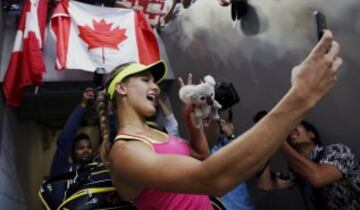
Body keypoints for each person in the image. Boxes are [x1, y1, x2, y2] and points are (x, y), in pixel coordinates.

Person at [95, 30, 342, 209]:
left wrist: (198, 125)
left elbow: (201, 155)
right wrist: (300, 97)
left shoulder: (156, 133)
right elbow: (211, 178)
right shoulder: (125, 151)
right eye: (145, 80)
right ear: (122, 89)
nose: (156, 87)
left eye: (154, 81)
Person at [257, 114, 360, 210]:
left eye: (295, 125)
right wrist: (267, 145)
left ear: (311, 134)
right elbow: (266, 185)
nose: (290, 131)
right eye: (287, 131)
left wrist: (279, 140)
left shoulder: (337, 151)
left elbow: (318, 178)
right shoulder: (297, 171)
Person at [207, 118, 257, 210]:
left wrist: (230, 135)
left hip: (245, 205)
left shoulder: (228, 142)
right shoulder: (205, 150)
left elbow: (244, 160)